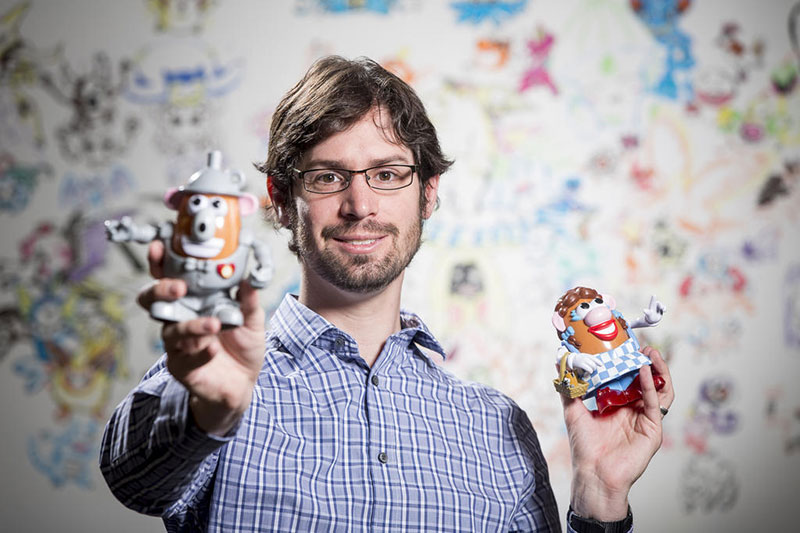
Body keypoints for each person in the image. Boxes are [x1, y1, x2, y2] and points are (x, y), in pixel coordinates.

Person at [100, 56, 674, 532]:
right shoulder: (216, 372)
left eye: (388, 173)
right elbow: (133, 480)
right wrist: (208, 412)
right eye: (327, 176)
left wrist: (598, 494)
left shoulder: (498, 429)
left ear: (428, 194)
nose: (360, 205)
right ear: (279, 198)